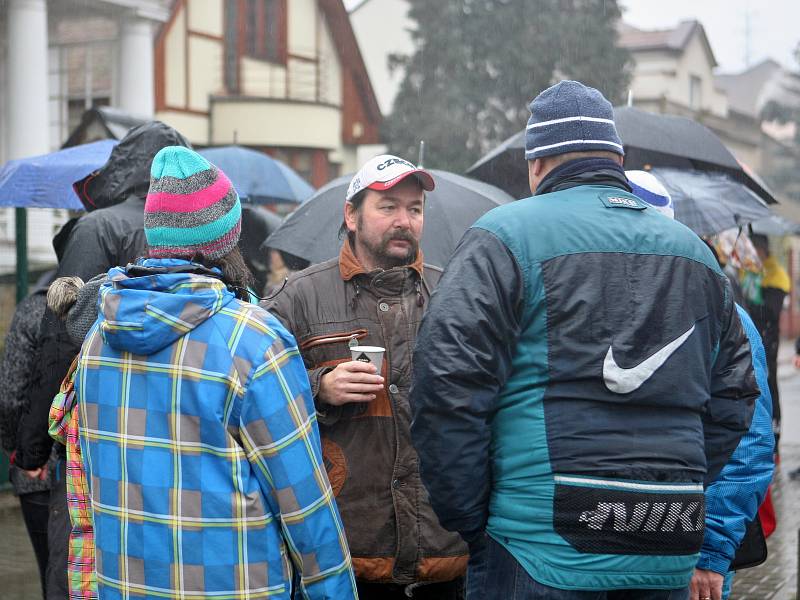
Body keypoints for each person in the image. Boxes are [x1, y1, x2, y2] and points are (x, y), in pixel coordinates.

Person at [410, 80, 759, 599]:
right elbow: (734, 394)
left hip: (538, 548)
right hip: (666, 539)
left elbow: (446, 384)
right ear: (616, 156)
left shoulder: (505, 236)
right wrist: (672, 482)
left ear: (536, 164)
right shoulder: (697, 256)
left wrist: (471, 516)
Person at [73, 146, 357, 599]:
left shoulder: (97, 341)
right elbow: (305, 506)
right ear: (227, 240)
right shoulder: (254, 341)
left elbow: (87, 490)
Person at [266, 154, 468, 599]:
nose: (404, 221)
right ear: (351, 215)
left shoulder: (454, 293)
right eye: (388, 206)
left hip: (444, 545)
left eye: (414, 209)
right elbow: (251, 393)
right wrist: (319, 387)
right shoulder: (297, 297)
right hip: (345, 548)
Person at [13, 122, 191, 600]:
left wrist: (29, 451)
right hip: (176, 436)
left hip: (98, 436)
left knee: (79, 569)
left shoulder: (98, 227)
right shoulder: (194, 229)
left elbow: (59, 341)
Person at [628, 171, 775, 600]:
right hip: (607, 551)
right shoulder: (593, 308)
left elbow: (749, 442)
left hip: (687, 556)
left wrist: (710, 550)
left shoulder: (725, 314)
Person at [0, 275, 56, 599]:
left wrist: (20, 455)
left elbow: (9, 396)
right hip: (91, 475)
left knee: (51, 575)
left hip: (37, 476)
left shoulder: (34, 307)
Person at [747, 233, 789, 451]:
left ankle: (775, 434)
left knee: (769, 385)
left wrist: (751, 305)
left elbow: (771, 312)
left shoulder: (776, 274)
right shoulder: (751, 270)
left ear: (762, 250)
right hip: (753, 338)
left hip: (769, 341)